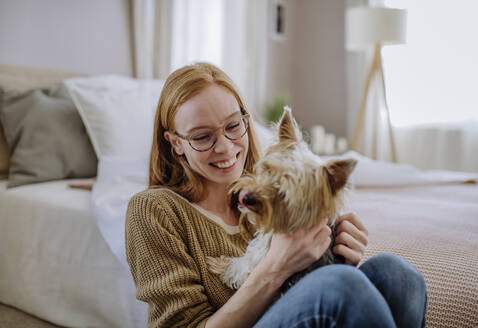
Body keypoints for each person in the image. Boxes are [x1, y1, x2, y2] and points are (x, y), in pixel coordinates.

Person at [125, 62, 427, 328]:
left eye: (233, 126)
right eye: (203, 137)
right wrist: (277, 266)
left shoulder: (276, 194)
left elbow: (303, 290)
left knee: (398, 275)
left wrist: (335, 255)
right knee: (340, 286)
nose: (226, 147)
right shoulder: (154, 210)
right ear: (175, 143)